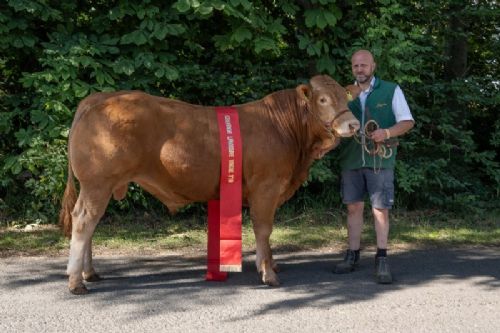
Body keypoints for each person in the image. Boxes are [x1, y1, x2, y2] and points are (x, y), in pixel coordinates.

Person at [333, 49, 415, 284]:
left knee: (380, 210)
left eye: (364, 65)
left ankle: (382, 258)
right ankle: (352, 255)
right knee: (353, 208)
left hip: (380, 160)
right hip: (351, 159)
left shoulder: (391, 90)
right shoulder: (344, 94)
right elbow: (334, 125)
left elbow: (408, 121)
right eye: (356, 66)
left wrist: (387, 132)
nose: (360, 69)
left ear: (373, 66)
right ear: (352, 68)